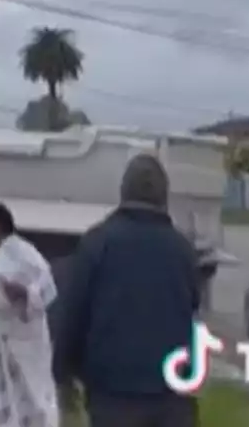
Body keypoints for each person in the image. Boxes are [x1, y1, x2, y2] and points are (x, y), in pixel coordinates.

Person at [52, 154, 203, 427]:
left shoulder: (97, 243)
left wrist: (63, 373)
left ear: (123, 192)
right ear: (164, 197)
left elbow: (72, 314)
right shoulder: (183, 250)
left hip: (113, 396)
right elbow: (193, 307)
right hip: (173, 398)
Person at [0, 201, 61, 427]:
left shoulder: (25, 255)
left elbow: (46, 289)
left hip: (18, 342)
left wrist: (24, 295)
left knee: (26, 402)